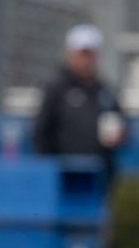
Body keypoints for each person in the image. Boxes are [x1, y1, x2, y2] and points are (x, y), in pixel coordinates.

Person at [32, 24, 129, 186]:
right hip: (64, 178)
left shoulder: (106, 92)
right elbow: (41, 133)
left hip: (101, 178)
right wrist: (48, 172)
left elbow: (124, 128)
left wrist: (120, 136)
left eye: (91, 54)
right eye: (82, 54)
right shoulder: (57, 90)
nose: (86, 60)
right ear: (70, 54)